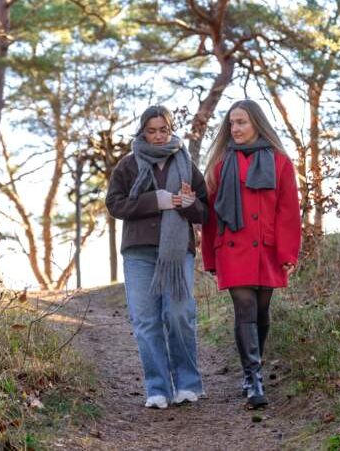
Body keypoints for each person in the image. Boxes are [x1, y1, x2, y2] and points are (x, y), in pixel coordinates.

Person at [201, 99, 301, 409]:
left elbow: (288, 211)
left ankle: (254, 367)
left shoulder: (281, 162)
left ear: (256, 123)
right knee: (244, 307)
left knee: (261, 310)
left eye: (241, 122)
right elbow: (211, 216)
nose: (236, 128)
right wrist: (210, 257)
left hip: (268, 248)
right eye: (232, 123)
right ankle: (252, 377)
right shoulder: (220, 165)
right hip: (233, 248)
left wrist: (288, 253)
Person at [106, 105, 207, 409]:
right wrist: (155, 201)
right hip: (138, 252)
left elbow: (204, 210)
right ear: (143, 131)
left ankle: (188, 384)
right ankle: (158, 387)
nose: (159, 135)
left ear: (171, 129)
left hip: (177, 253)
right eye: (152, 130)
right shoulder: (127, 165)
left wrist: (189, 204)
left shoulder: (186, 163)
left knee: (179, 314)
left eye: (164, 129)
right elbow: (115, 204)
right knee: (146, 321)